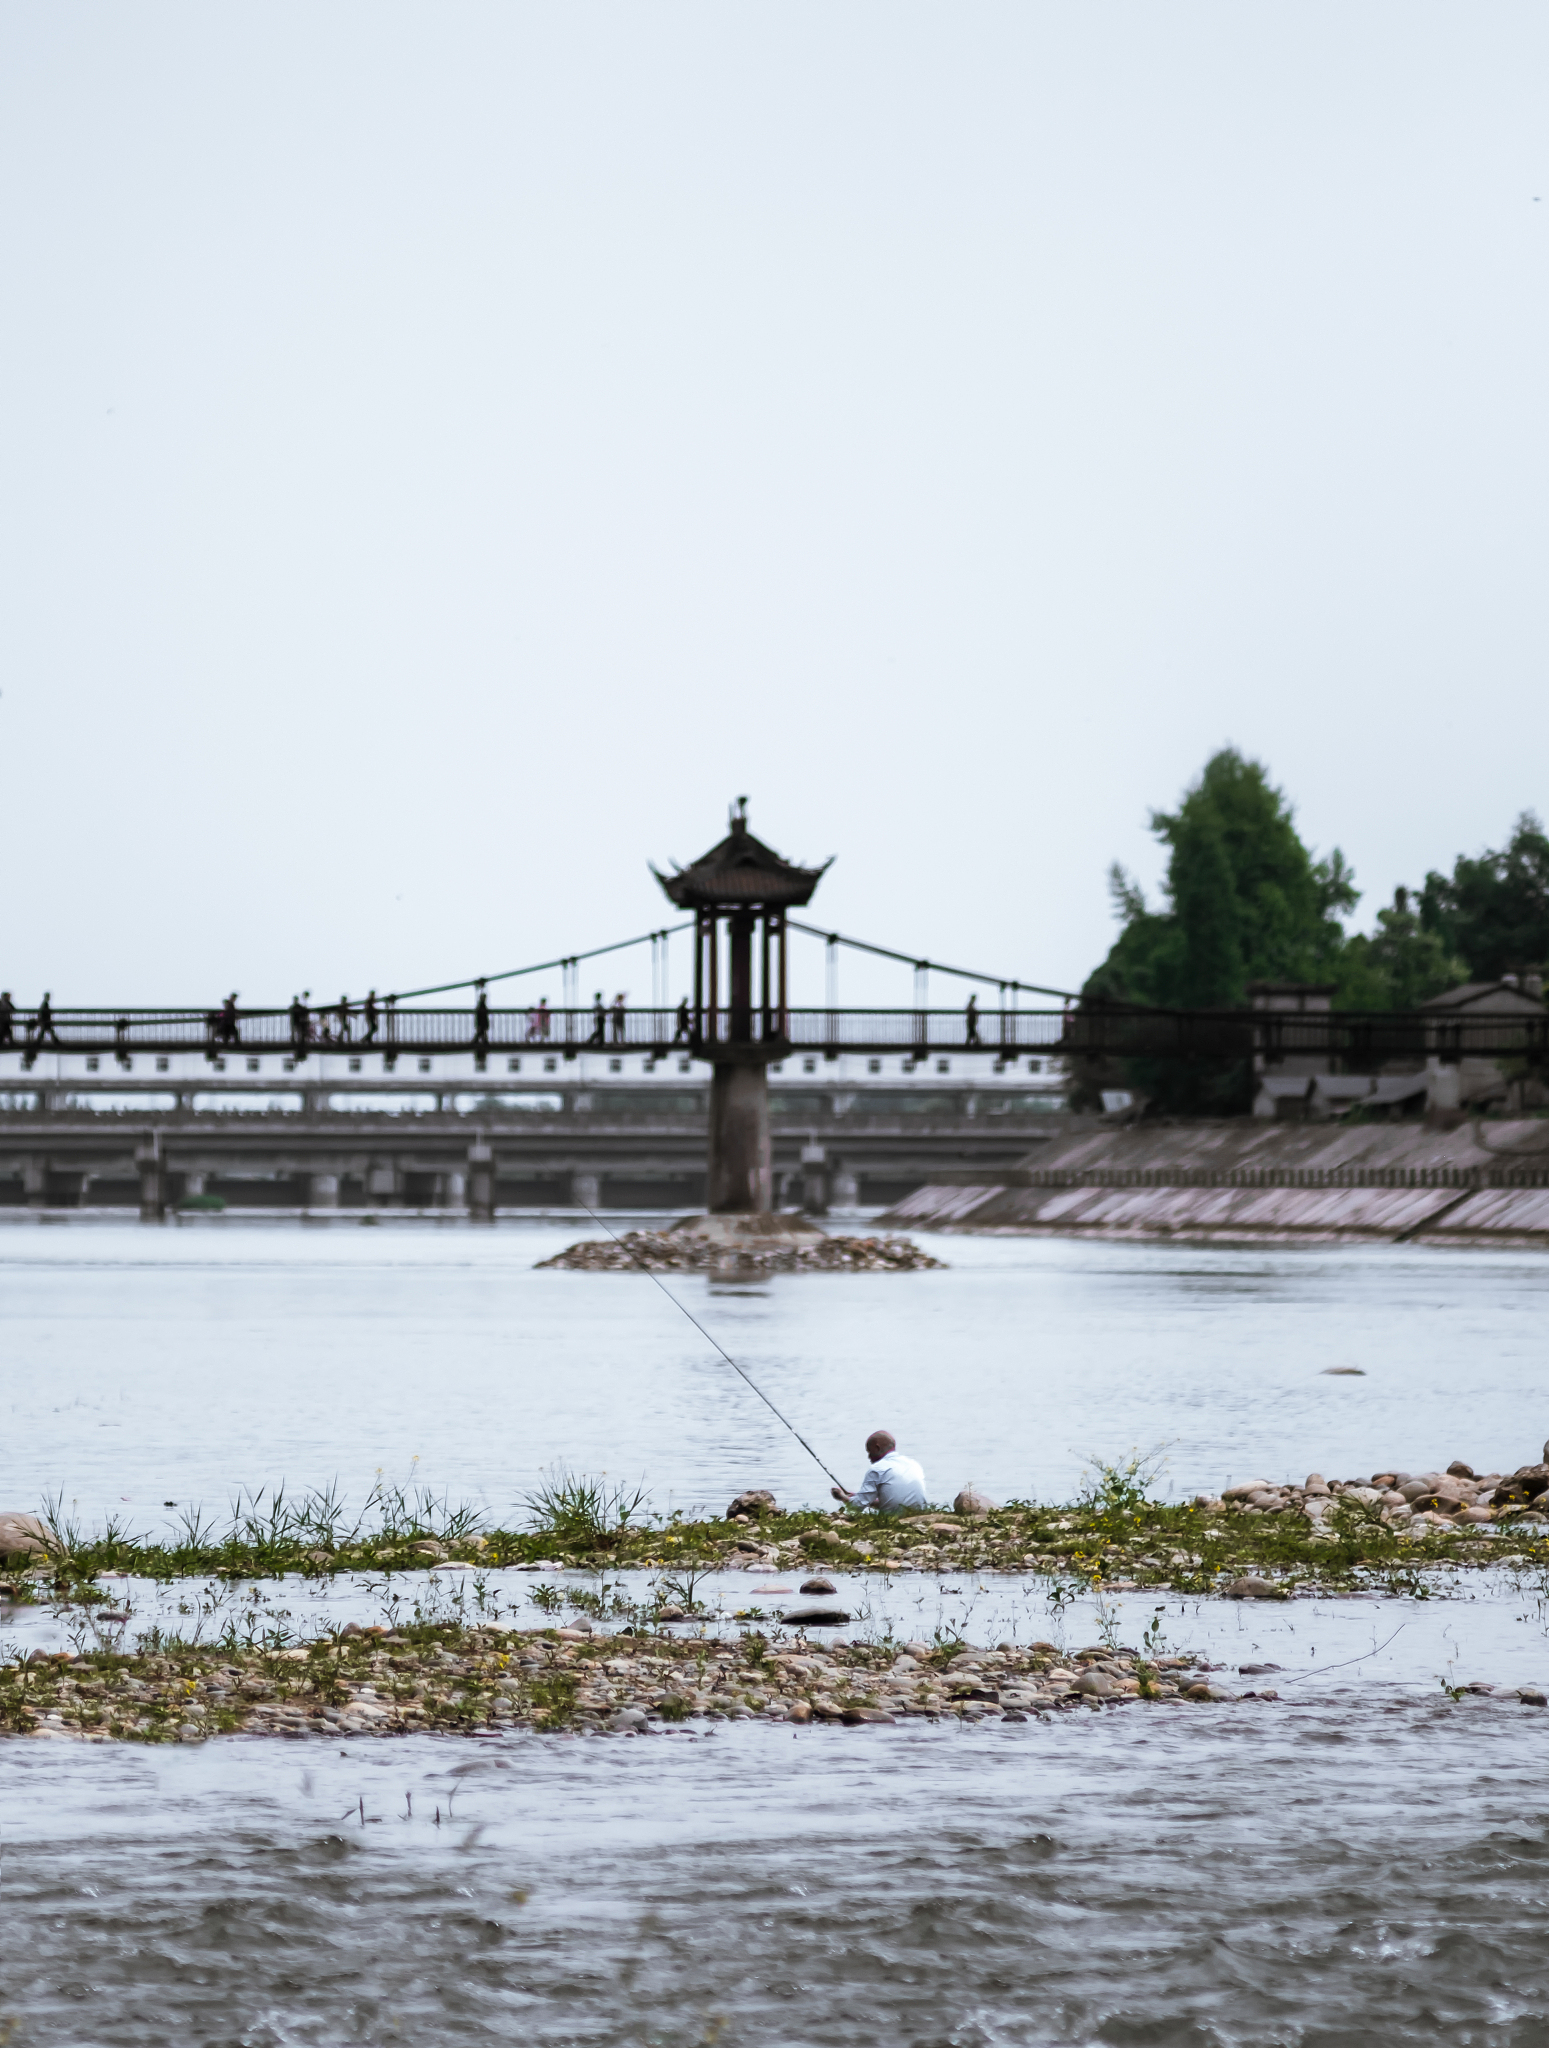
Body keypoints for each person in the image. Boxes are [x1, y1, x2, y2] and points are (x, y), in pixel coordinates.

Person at [831, 1430, 928, 1514]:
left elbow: (857, 1507)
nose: (869, 1457)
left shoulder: (877, 1469)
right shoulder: (913, 1464)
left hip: (894, 1517)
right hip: (918, 1513)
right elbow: (896, 1500)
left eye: (869, 1452)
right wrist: (867, 1500)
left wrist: (843, 1498)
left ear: (877, 1448)